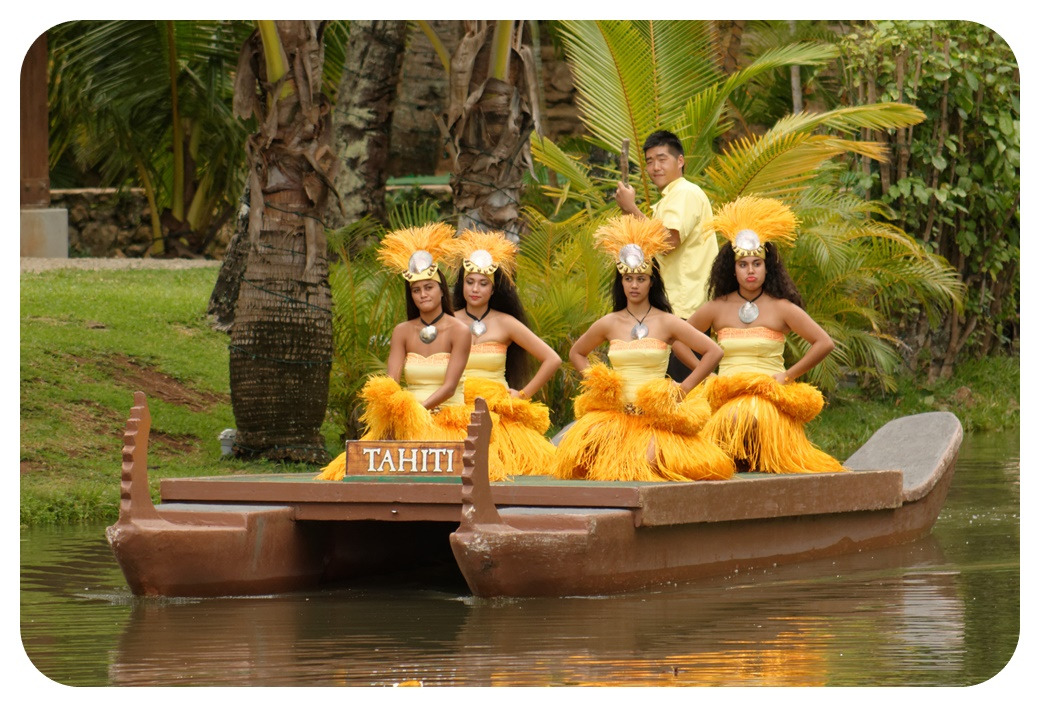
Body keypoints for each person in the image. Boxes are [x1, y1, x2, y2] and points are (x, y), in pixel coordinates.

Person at [553, 215, 734, 482]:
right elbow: (576, 353)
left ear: (652, 281)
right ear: (621, 282)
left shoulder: (666, 321)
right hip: (615, 416)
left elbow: (713, 352)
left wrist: (683, 389)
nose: (634, 285)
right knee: (582, 455)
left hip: (655, 418)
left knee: (647, 462)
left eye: (640, 278)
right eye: (628, 279)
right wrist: (597, 382)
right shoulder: (609, 323)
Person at [688, 196, 845, 474]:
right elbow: (678, 340)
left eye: (757, 263)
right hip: (725, 395)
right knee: (725, 423)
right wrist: (706, 375)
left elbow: (824, 343)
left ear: (766, 267)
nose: (750, 270)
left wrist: (787, 376)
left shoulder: (781, 308)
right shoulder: (716, 308)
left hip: (767, 398)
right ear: (732, 269)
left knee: (747, 415)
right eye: (743, 264)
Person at [316, 223, 471, 481]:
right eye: (416, 290)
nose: (423, 294)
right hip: (408, 416)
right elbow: (391, 382)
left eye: (428, 287)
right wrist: (395, 415)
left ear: (441, 289)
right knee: (358, 467)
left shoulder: (459, 331)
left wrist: (417, 412)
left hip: (446, 418)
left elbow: (450, 387)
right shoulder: (402, 331)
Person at [445, 229, 562, 480]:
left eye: (483, 283)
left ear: (494, 288)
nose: (475, 289)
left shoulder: (506, 323)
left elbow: (552, 359)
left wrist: (522, 395)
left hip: (497, 414)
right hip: (454, 413)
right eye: (470, 281)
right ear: (461, 283)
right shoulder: (448, 322)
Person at [615, 130, 718, 381]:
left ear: (680, 161)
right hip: (679, 307)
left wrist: (631, 208)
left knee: (685, 392)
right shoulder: (670, 198)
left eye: (662, 159)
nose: (655, 167)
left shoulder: (684, 192)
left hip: (686, 306)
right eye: (649, 161)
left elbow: (668, 240)